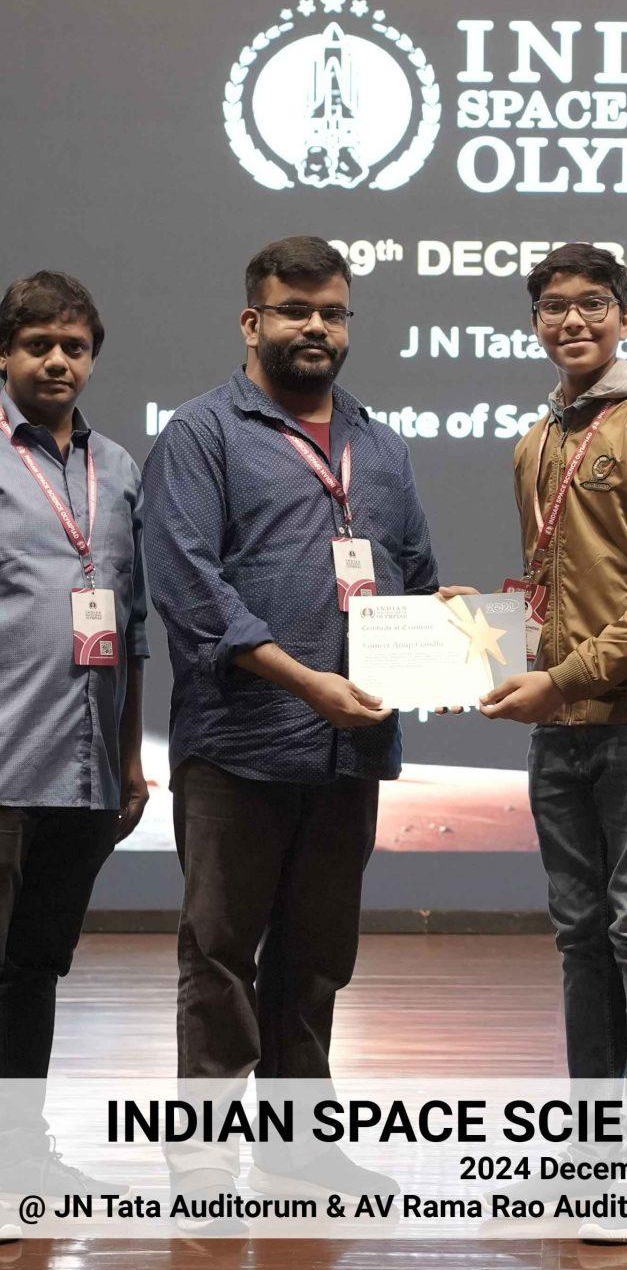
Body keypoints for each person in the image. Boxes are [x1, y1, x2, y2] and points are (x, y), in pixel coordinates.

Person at [143, 236, 439, 1214]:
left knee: (315, 960)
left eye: (332, 312)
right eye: (295, 309)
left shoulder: (380, 446)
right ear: (252, 321)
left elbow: (412, 576)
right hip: (239, 743)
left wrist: (448, 636)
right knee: (220, 953)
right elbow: (192, 593)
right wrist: (307, 683)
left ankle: (297, 1149)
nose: (316, 327)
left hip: (348, 750)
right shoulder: (202, 434)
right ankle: (202, 1156)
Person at [479, 243, 627, 1240]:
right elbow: (552, 589)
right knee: (581, 933)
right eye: (551, 306)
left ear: (625, 316)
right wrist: (477, 629)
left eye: (591, 304)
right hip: (564, 719)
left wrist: (566, 676)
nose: (570, 320)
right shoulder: (537, 439)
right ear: (534, 321)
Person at [0, 272, 148, 1203]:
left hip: (87, 773)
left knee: (36, 969)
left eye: (75, 347)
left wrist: (130, 761)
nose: (58, 361)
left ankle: (20, 1156)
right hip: (5, 765)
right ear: (4, 354)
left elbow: (133, 627)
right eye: (38, 345)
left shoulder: (120, 468)